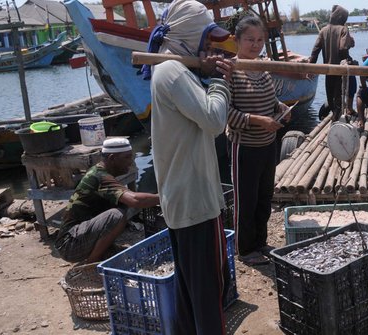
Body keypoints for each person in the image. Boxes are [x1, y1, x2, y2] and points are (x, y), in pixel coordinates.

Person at [147, 0, 235, 333]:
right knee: (211, 295)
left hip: (182, 199)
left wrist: (204, 71)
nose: (211, 45)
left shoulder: (171, 69)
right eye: (206, 38)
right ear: (188, 35)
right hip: (196, 202)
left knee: (192, 295)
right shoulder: (172, 71)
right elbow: (213, 120)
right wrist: (221, 81)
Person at [226, 16, 290, 266]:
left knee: (264, 196)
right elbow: (226, 113)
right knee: (246, 200)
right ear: (237, 41)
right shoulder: (230, 71)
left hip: (268, 144)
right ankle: (245, 249)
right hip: (245, 147)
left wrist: (280, 107)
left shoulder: (262, 67)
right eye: (250, 40)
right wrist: (259, 120)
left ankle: (260, 242)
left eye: (260, 40)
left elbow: (271, 100)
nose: (256, 45)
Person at [55, 138, 160, 264]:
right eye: (126, 157)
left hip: (78, 237)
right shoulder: (99, 176)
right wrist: (164, 198)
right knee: (116, 215)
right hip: (69, 244)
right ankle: (91, 264)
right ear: (112, 158)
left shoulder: (102, 173)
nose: (131, 161)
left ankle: (103, 252)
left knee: (121, 205)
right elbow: (135, 200)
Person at [309, 5, 354, 120]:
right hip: (339, 69)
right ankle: (336, 120)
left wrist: (310, 68)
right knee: (338, 98)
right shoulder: (343, 29)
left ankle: (334, 118)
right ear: (342, 17)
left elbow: (315, 52)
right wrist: (348, 58)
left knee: (330, 98)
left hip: (328, 70)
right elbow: (343, 48)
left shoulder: (323, 30)